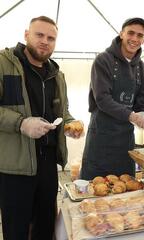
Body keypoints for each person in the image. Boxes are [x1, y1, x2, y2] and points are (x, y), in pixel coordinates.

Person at [0, 16, 84, 240]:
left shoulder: (57, 75)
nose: (45, 41)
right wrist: (21, 123)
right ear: (26, 34)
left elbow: (63, 112)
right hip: (15, 165)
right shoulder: (3, 63)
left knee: (46, 225)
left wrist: (69, 124)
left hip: (48, 161)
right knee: (16, 228)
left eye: (51, 38)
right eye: (39, 35)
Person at [80, 17, 144, 180]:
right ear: (121, 34)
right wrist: (132, 116)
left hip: (125, 140)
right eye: (131, 33)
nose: (134, 39)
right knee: (94, 188)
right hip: (100, 137)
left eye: (140, 35)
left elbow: (142, 106)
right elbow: (102, 99)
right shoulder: (103, 61)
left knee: (125, 190)